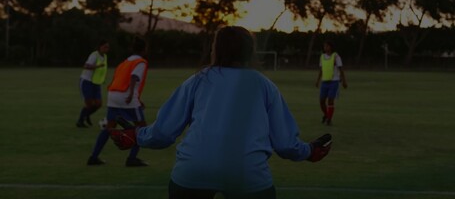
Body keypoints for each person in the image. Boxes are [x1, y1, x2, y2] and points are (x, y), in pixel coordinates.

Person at [109, 26, 332, 198]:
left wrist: (136, 135)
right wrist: (310, 151)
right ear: (250, 51)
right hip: (248, 175)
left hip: (192, 171)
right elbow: (285, 144)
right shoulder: (264, 86)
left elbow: (163, 133)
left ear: (215, 49)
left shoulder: (197, 80)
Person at [87, 37, 149, 167]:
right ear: (144, 49)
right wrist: (132, 95)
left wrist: (137, 98)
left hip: (113, 95)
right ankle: (132, 159)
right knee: (141, 127)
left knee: (109, 127)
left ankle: (93, 157)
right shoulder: (141, 62)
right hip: (126, 96)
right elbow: (133, 78)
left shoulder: (124, 62)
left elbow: (121, 79)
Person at [77, 40, 110, 128]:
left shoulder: (105, 56)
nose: (107, 49)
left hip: (96, 82)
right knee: (89, 104)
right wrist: (96, 66)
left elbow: (103, 70)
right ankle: (80, 121)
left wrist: (102, 79)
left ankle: (86, 115)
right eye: (105, 47)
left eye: (108, 47)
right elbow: (86, 66)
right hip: (86, 81)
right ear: (100, 47)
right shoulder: (94, 55)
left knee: (98, 104)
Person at [315, 39, 348, 126]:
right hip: (324, 81)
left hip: (334, 81)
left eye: (327, 46)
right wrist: (318, 80)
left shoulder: (336, 56)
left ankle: (329, 119)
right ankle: (326, 115)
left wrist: (344, 81)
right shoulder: (322, 57)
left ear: (331, 47)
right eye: (324, 46)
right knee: (321, 101)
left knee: (330, 100)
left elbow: (341, 69)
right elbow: (321, 70)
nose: (325, 47)